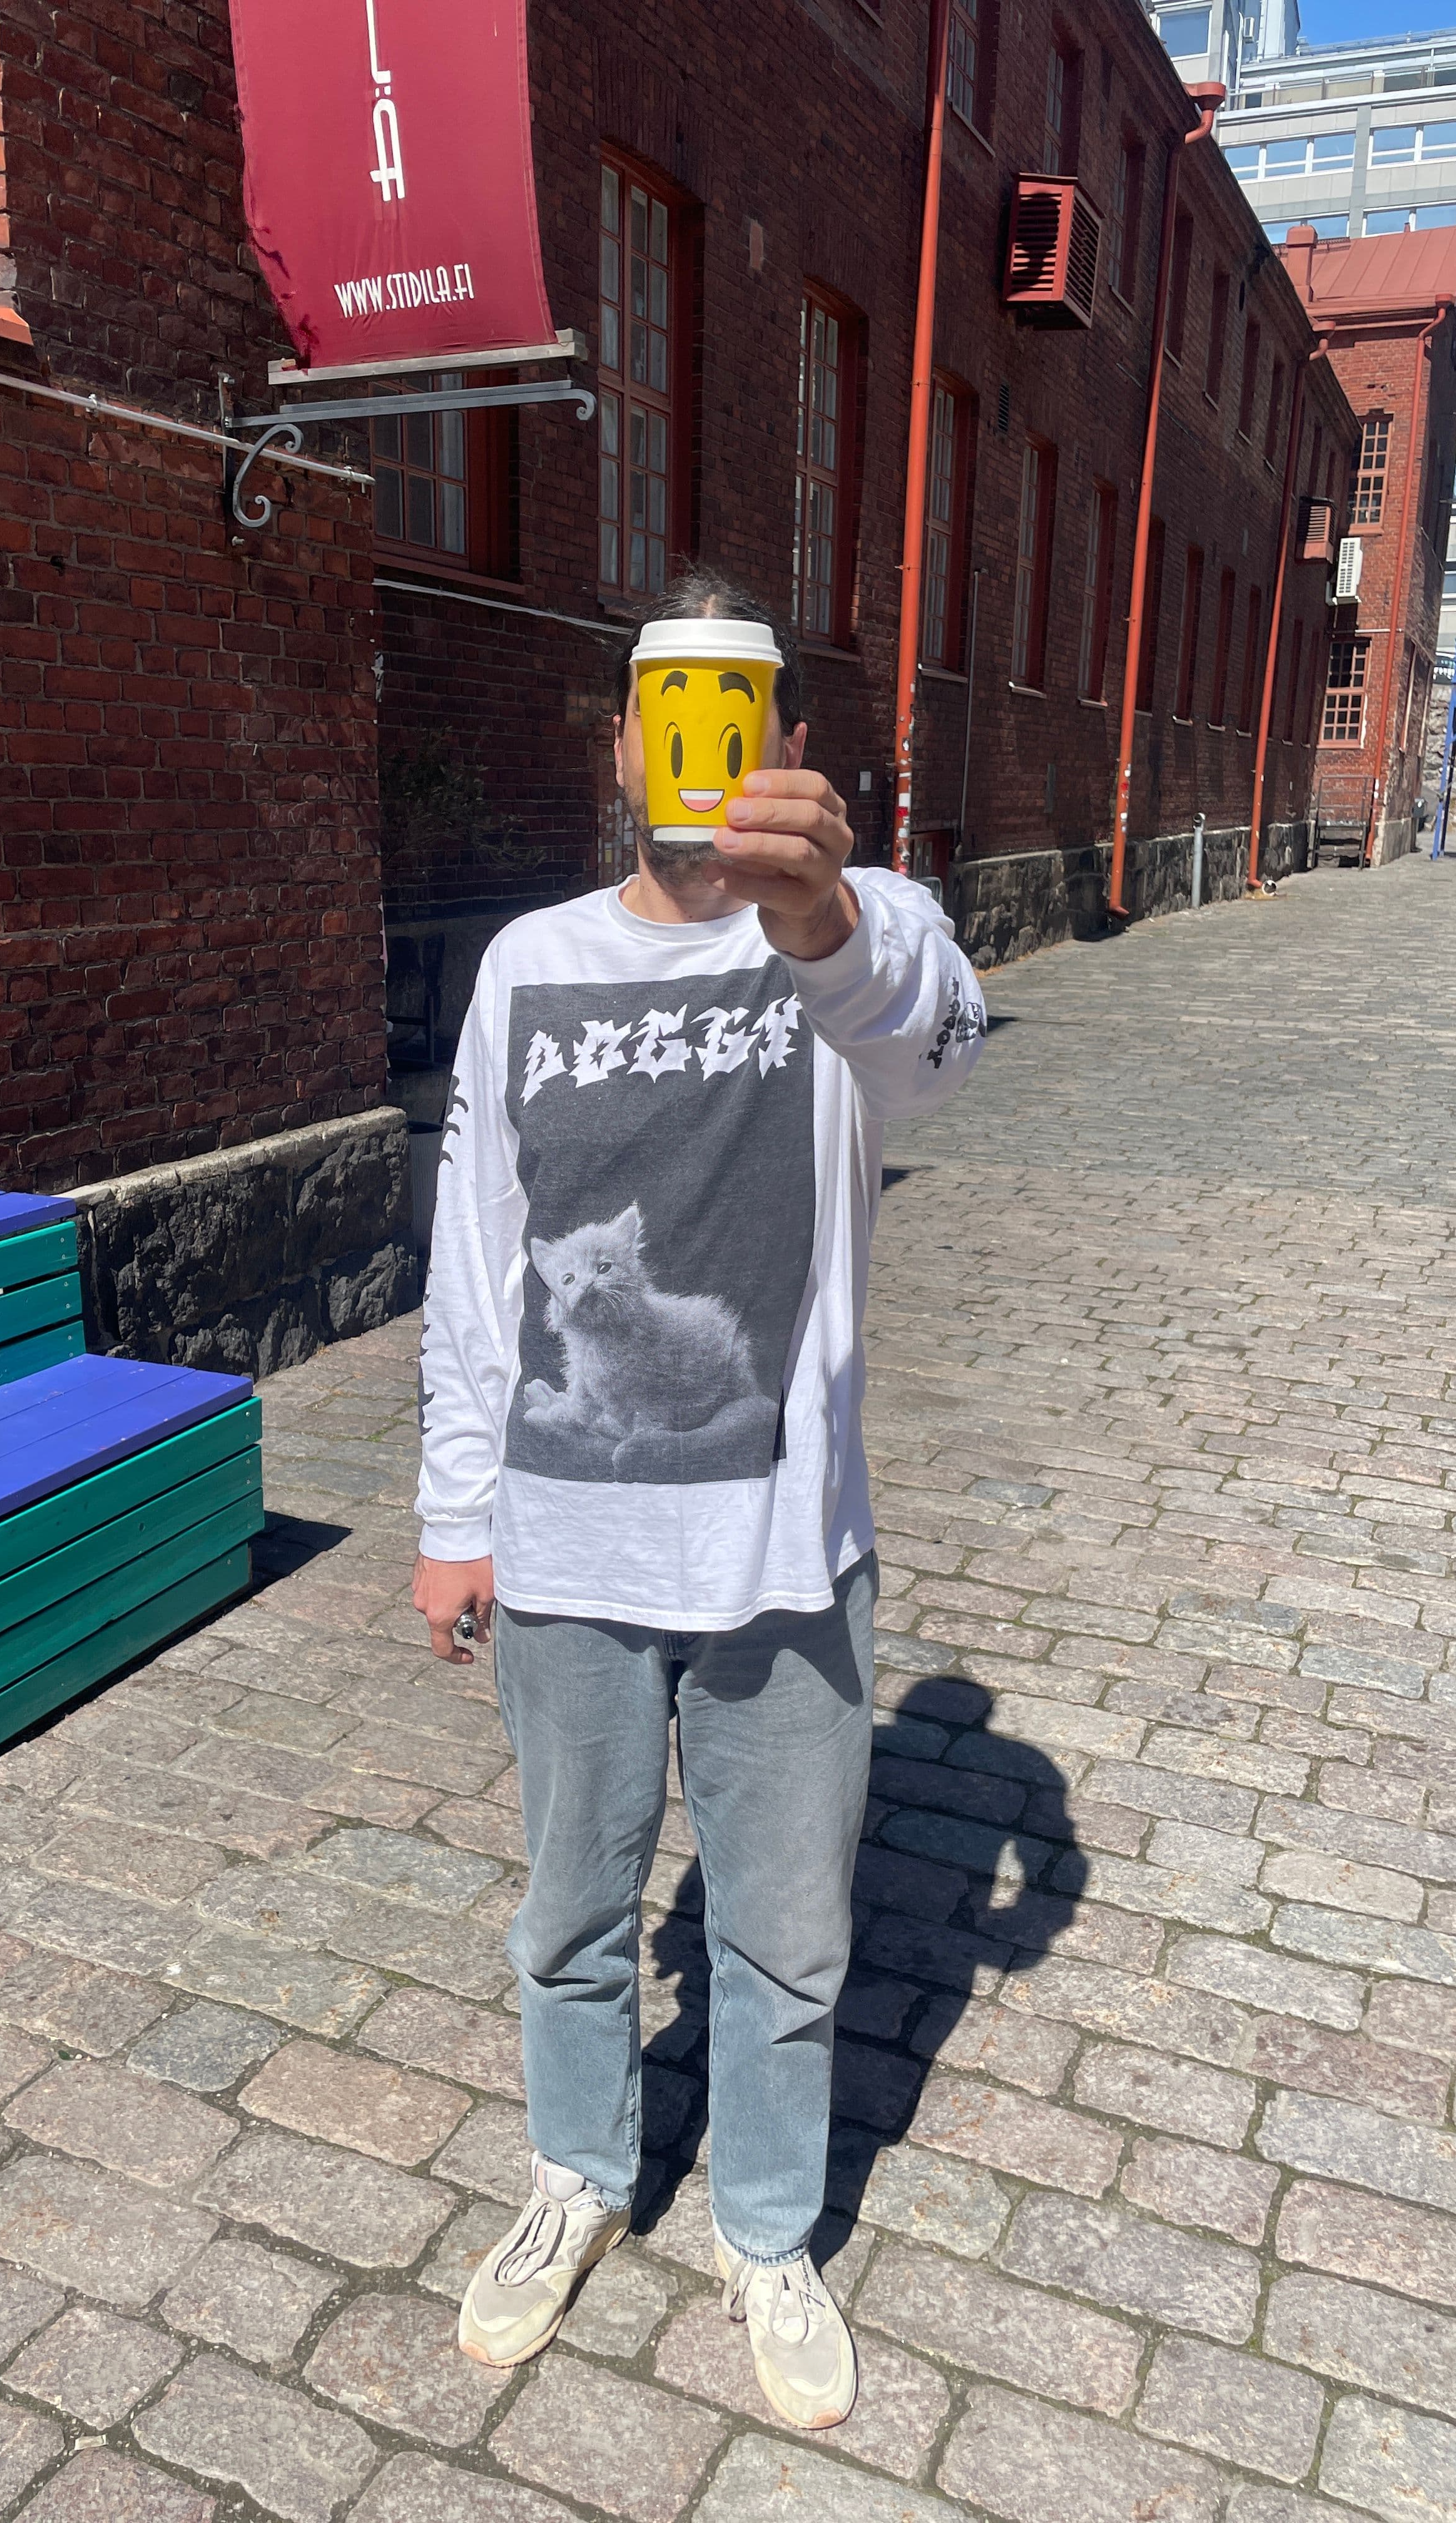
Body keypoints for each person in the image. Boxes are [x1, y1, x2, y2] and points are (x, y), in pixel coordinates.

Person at [412, 568, 986, 2429]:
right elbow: (476, 1262)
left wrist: (823, 913)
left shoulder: (862, 937)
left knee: (786, 1940)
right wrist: (450, 1519)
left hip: (782, 1555)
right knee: (573, 1911)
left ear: (793, 745)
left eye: (740, 716)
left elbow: (941, 1053)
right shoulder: (529, 965)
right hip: (565, 1544)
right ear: (621, 748)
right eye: (671, 716)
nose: (703, 753)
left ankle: (767, 2230)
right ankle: (576, 2176)